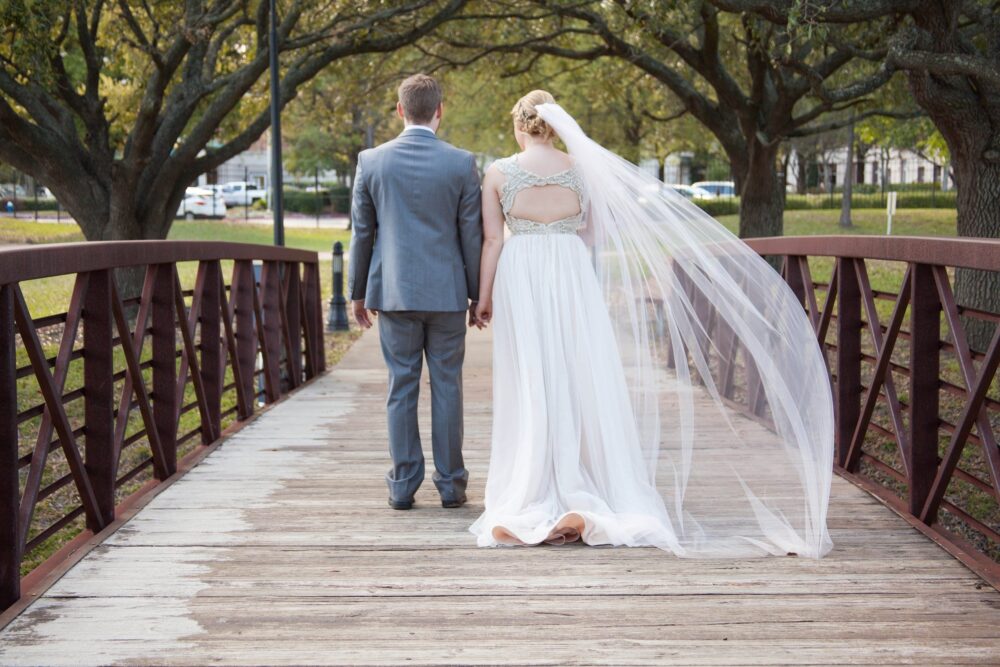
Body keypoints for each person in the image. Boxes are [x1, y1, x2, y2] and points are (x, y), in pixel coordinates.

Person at [469, 91, 835, 558]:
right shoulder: (581, 169)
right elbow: (596, 232)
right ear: (557, 124)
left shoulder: (499, 173)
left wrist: (483, 299)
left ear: (520, 126)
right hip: (571, 270)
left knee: (531, 374)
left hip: (521, 274)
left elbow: (493, 240)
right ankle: (581, 477)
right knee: (578, 371)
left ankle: (533, 480)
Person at [348, 74, 482, 511]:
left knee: (401, 387)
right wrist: (478, 294)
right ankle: (451, 485)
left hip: (395, 293)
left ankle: (403, 485)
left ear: (400, 110)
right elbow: (471, 236)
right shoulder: (462, 163)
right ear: (440, 110)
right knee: (448, 387)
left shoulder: (372, 161)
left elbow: (362, 234)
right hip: (446, 294)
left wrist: (356, 291)